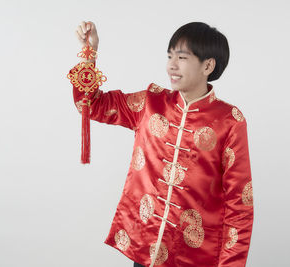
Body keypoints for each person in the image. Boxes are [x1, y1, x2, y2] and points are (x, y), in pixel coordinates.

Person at [71, 20, 254, 267]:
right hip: (145, 251)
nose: (171, 65)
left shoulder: (229, 121)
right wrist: (89, 54)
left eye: (182, 57)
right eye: (169, 56)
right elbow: (92, 105)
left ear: (208, 65)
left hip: (197, 258)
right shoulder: (151, 103)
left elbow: (239, 204)